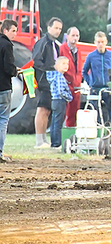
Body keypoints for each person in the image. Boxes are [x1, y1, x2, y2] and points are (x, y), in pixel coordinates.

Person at [32, 17, 63, 148]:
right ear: (49, 28)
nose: (58, 31)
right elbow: (36, 61)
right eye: (56, 28)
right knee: (42, 109)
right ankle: (39, 141)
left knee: (47, 111)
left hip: (52, 82)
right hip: (43, 80)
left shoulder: (55, 45)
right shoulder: (43, 43)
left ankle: (44, 139)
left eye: (60, 29)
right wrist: (52, 69)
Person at [82, 31, 111, 124]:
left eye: (102, 42)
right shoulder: (91, 56)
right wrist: (90, 83)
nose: (100, 44)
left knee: (110, 111)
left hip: (107, 88)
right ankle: (96, 128)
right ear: (95, 43)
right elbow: (84, 71)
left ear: (106, 42)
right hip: (95, 89)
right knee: (95, 112)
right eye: (98, 42)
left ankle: (109, 127)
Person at [0, 19, 18, 162]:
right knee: (3, 120)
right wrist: (16, 71)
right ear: (5, 30)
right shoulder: (6, 45)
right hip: (4, 88)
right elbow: (8, 68)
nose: (15, 34)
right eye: (13, 30)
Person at [46, 56, 73, 149]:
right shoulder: (60, 76)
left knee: (54, 121)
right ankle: (57, 142)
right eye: (63, 63)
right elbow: (61, 91)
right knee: (58, 122)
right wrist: (69, 97)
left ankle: (54, 141)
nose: (66, 66)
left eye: (67, 64)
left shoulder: (53, 76)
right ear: (57, 65)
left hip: (54, 100)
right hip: (60, 101)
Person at [60, 27, 82, 127]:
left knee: (74, 113)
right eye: (73, 35)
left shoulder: (78, 51)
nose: (75, 38)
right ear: (67, 36)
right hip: (66, 85)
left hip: (76, 87)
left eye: (77, 36)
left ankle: (71, 133)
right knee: (63, 112)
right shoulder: (62, 49)